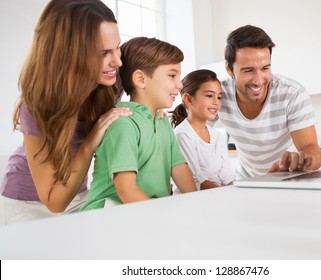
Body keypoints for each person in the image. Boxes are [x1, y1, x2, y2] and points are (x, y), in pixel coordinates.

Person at [0, 0, 132, 225]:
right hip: (28, 203)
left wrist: (153, 112)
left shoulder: (112, 81)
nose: (117, 61)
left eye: (117, 46)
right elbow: (54, 202)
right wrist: (91, 141)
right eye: (103, 53)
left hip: (77, 192)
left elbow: (150, 85)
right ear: (69, 53)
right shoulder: (36, 105)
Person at [80, 37, 197, 211]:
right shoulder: (122, 124)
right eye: (172, 75)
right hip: (107, 217)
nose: (180, 85)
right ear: (141, 79)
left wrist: (198, 207)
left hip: (143, 214)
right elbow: (127, 191)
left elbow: (179, 169)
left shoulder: (162, 121)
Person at [216, 25, 321, 179]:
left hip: (288, 178)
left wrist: (301, 162)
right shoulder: (218, 94)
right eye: (248, 70)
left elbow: (312, 150)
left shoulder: (292, 93)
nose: (258, 80)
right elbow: (192, 127)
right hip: (246, 180)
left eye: (265, 68)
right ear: (229, 69)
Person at [170, 69, 235, 193]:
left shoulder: (217, 135)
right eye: (209, 96)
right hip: (194, 201)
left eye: (219, 97)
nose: (216, 102)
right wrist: (226, 194)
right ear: (188, 99)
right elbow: (198, 181)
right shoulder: (183, 135)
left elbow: (227, 175)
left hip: (219, 197)